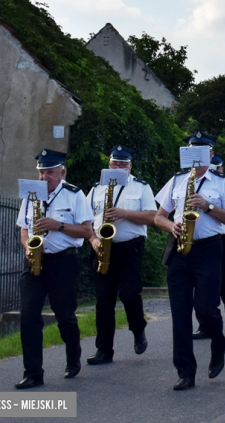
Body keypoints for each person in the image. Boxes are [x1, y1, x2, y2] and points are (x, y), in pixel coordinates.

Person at [154, 133, 225, 390]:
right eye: (192, 151)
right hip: (179, 251)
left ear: (211, 155)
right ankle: (185, 372)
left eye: (202, 152)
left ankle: (218, 342)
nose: (196, 157)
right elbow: (159, 216)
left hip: (208, 250)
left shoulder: (222, 182)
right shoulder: (177, 180)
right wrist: (171, 225)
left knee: (205, 309)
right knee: (180, 315)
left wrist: (208, 206)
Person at [15, 149, 93, 389]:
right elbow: (23, 228)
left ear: (61, 172)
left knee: (64, 315)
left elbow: (86, 231)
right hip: (36, 261)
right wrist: (28, 246)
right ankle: (33, 373)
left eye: (49, 172)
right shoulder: (31, 194)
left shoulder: (75, 194)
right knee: (28, 316)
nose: (44, 177)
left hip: (63, 261)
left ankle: (73, 358)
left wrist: (57, 225)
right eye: (41, 172)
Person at [85, 145, 156, 366]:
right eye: (115, 163)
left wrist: (124, 213)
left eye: (123, 164)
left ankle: (138, 328)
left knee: (128, 294)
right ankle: (104, 350)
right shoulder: (97, 188)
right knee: (104, 300)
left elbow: (152, 217)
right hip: (102, 247)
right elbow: (86, 221)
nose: (118, 167)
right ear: (109, 164)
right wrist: (94, 239)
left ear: (130, 166)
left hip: (130, 247)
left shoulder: (140, 188)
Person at [193, 154, 225, 339]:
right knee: (200, 283)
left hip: (223, 236)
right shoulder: (193, 181)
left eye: (217, 168)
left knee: (223, 280)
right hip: (203, 239)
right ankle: (204, 324)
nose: (215, 171)